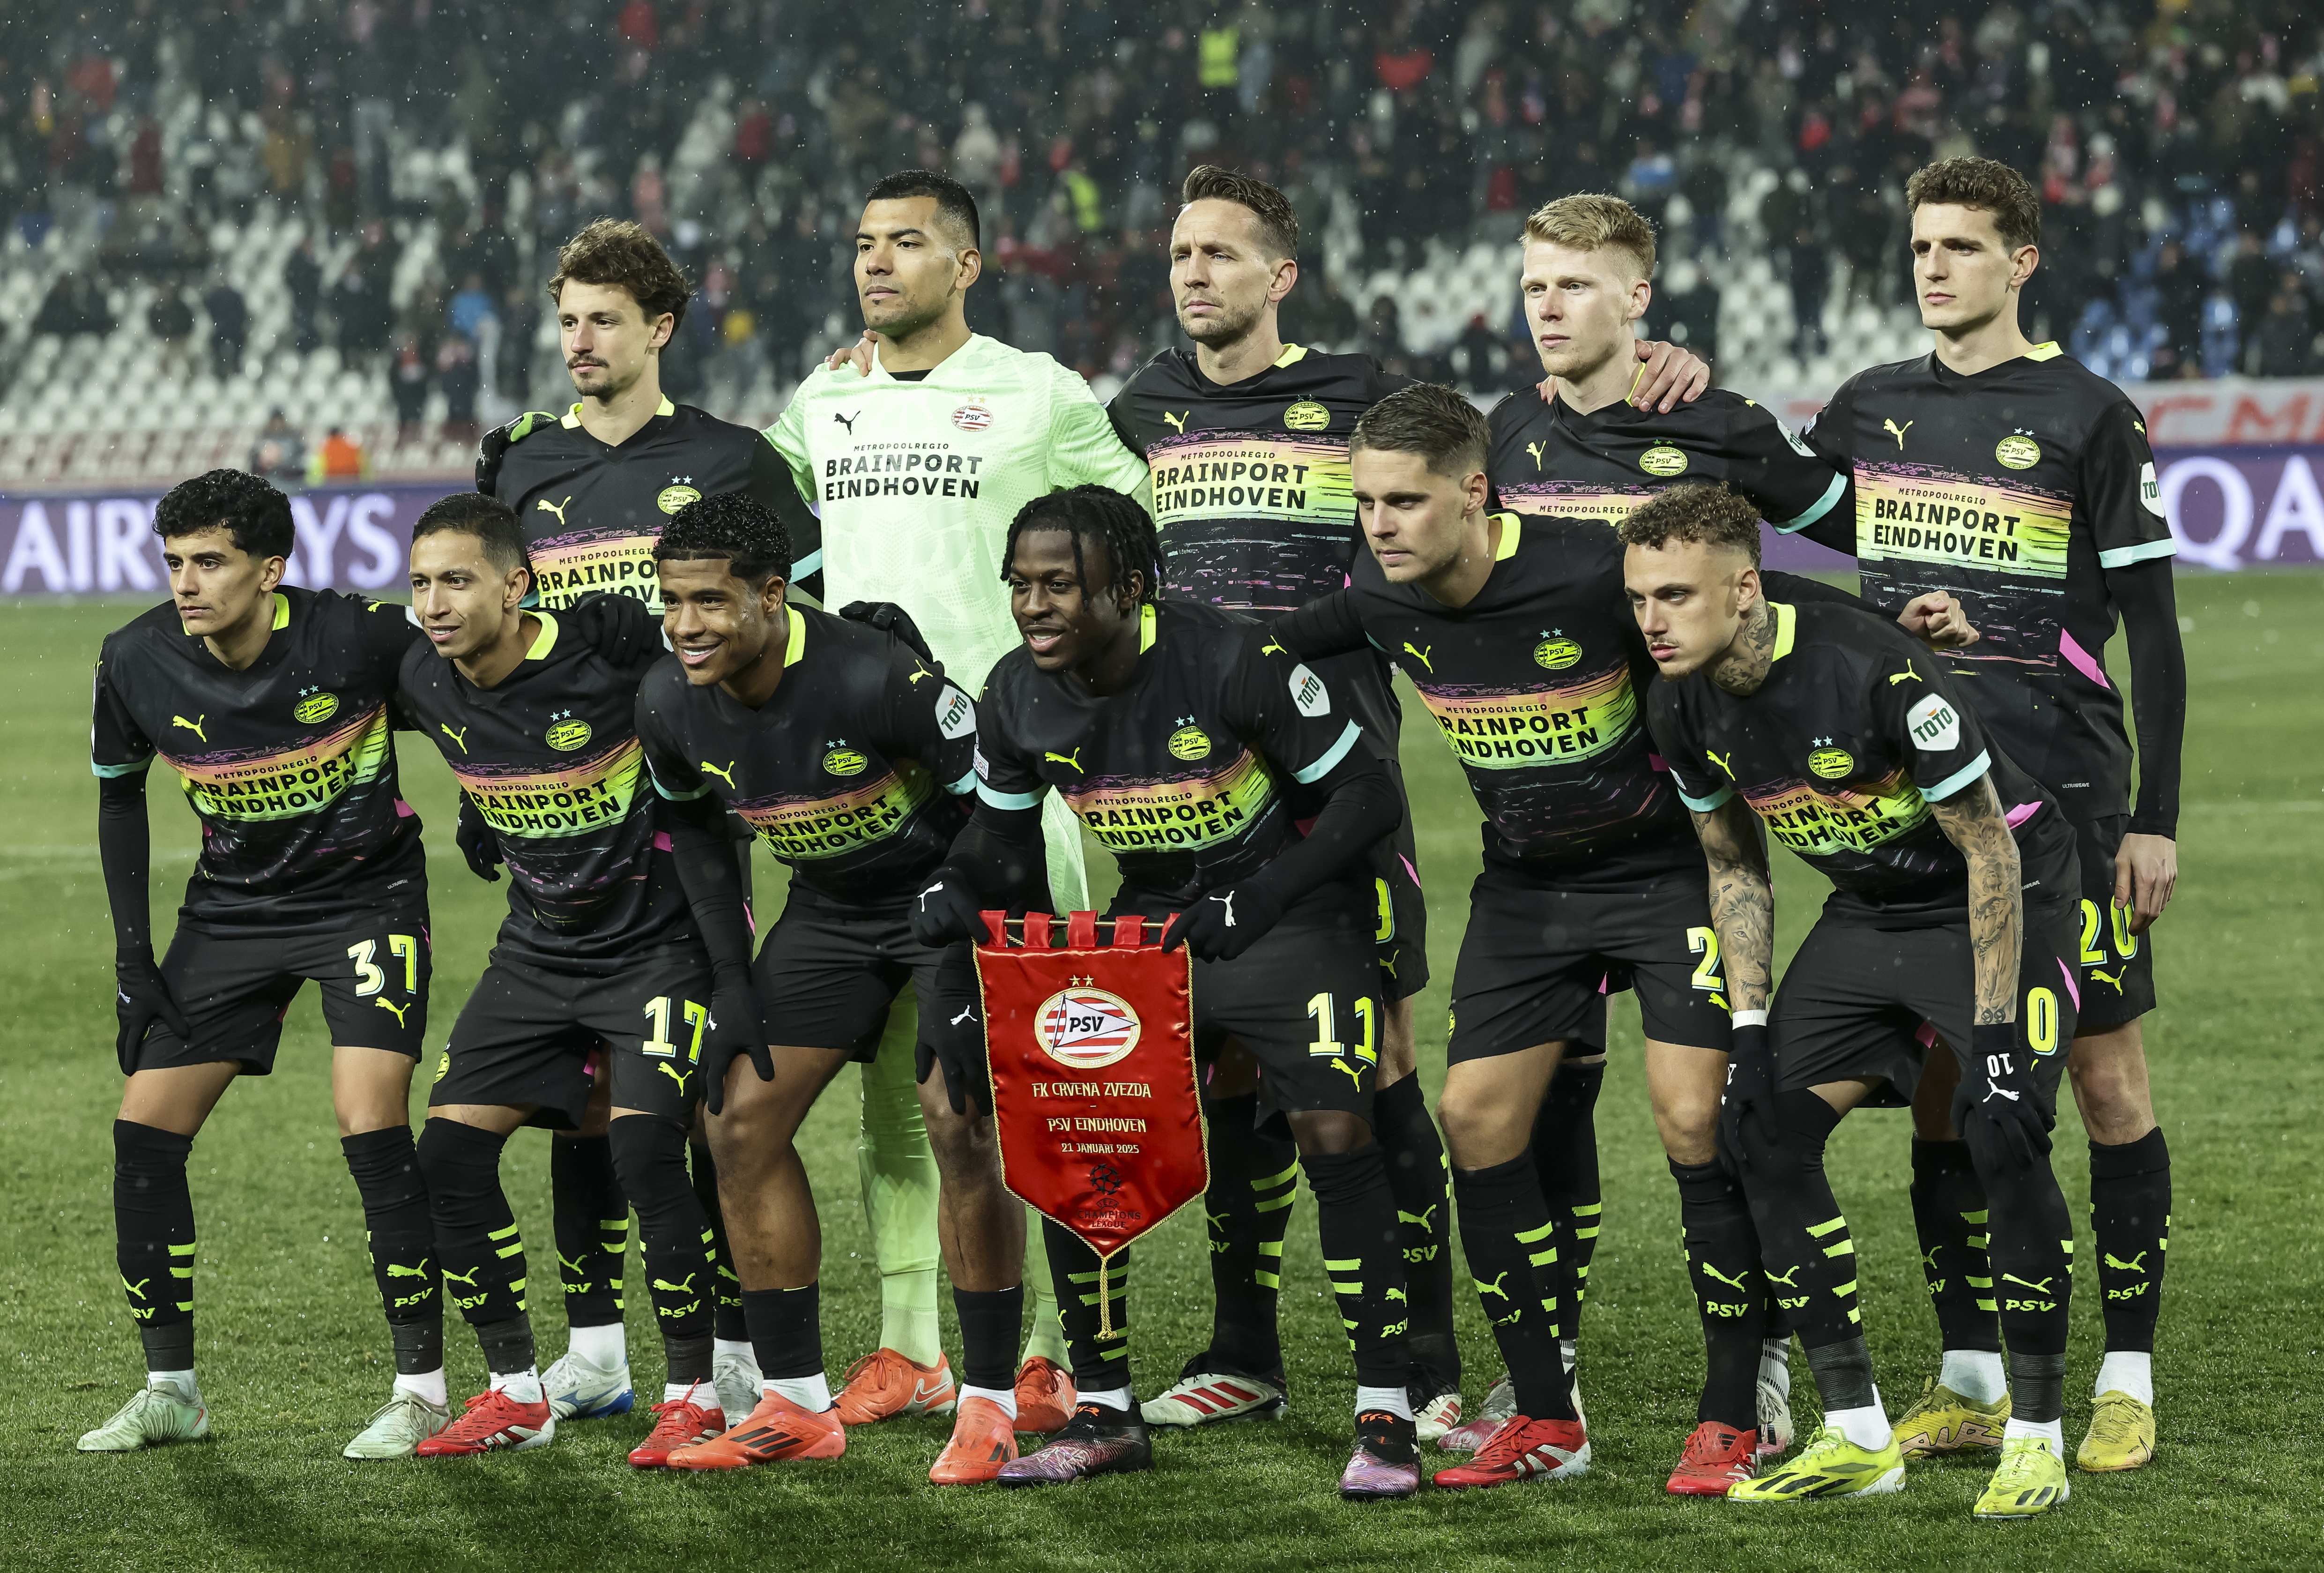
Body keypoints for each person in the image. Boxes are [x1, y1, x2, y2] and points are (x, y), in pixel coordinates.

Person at [1095, 165, 1713, 1438]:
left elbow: (1502, 441)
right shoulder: (1135, 409)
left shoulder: (1365, 389)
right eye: (1178, 253)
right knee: (1225, 1078)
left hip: (1335, 792)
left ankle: (1425, 1362)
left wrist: (1659, 368)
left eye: (1219, 253)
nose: (1192, 273)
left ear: (1280, 275)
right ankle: (1244, 1346)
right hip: (1183, 798)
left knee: (1371, 1072)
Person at [1283, 385, 1971, 1496]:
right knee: (1473, 1118)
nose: (1380, 524)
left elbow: (1740, 597)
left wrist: (1894, 620)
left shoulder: (1585, 567)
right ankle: (1550, 1418)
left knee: (1700, 1120)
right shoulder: (1375, 591)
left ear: (1474, 493)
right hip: (1524, 889)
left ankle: (1734, 1410)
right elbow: (1257, 640)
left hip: (1666, 876)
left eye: (1404, 501)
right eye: (1365, 503)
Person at [1789, 157, 2183, 1474]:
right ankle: (1963, 1376)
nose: (1932, 267)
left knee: (2103, 1072)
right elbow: (1789, 533)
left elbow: (2154, 634)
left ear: (2023, 261)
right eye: (1919, 246)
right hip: (1925, 805)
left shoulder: (2087, 413)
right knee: (1953, 1083)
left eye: (1960, 246)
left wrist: (2153, 817)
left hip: (2067, 796)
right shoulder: (1871, 406)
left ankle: (2125, 1377)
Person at [912, 486, 1422, 1500]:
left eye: (1060, 583)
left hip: (1290, 918)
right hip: (1153, 927)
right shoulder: (1016, 693)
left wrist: (1261, 900)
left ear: (1131, 585)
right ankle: (1104, 1408)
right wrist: (960, 884)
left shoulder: (1230, 657)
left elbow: (1367, 793)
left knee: (1332, 1130)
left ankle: (1387, 1411)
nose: (1034, 605)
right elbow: (1004, 843)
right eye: (1021, 585)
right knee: (1076, 1136)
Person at [1477, 191, 1859, 1475]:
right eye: (1534, 283)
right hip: (1537, 835)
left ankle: (1752, 1371)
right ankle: (1544, 1382)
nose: (1547, 305)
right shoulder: (1508, 434)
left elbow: (1850, 522)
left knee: (1697, 1121)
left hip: (1685, 831)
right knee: (1521, 1111)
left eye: (1575, 285)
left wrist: (1919, 608)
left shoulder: (1716, 422)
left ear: (1638, 298)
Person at [772, 169, 1151, 1429]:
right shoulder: (824, 399)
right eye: (865, 243)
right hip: (873, 789)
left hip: (1017, 780)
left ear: (970, 263)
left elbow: (1142, 532)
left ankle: (1050, 1347)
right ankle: (910, 1344)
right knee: (898, 1076)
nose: (878, 264)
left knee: (1038, 1073)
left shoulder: (1039, 394)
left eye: (908, 244)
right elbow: (745, 506)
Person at [1624, 482, 2084, 1519]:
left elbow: (1989, 846)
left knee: (2001, 1127)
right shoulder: (1678, 695)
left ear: (1745, 589)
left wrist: (1999, 1035)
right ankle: (1860, 1433)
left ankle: (2037, 1437)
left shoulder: (1869, 664)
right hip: (1871, 910)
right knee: (1761, 1132)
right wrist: (1747, 1031)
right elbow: (1735, 865)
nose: (1651, 620)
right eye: (1641, 596)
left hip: (2006, 888)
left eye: (1675, 596)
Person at [474, 216, 818, 1427]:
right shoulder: (516, 460)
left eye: (604, 318)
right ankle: (596, 1345)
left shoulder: (733, 461)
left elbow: (800, 618)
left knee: (677, 1091)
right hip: (558, 822)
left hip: (689, 815)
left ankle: (725, 1338)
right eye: (565, 318)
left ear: (661, 327)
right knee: (579, 1095)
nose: (579, 340)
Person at [632, 494, 1037, 1486]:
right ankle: (797, 1403)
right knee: (735, 1117)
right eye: (672, 601)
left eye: (711, 601)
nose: (686, 624)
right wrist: (731, 976)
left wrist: (957, 964)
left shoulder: (875, 677)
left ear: (773, 596)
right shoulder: (667, 698)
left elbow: (1000, 813)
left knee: (958, 1117)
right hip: (829, 910)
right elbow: (692, 830)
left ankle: (987, 1402)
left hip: (955, 896)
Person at [80, 470, 439, 1457]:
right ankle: (171, 1388)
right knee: (143, 1130)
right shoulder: (137, 657)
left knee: (369, 1117)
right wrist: (132, 955)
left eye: (211, 561)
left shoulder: (357, 637)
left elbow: (468, 704)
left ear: (270, 569)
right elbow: (120, 799)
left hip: (366, 901)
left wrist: (499, 820)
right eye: (175, 563)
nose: (187, 583)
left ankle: (421, 1387)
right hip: (231, 912)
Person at [394, 495, 737, 1464]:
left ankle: (694, 1390)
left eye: (458, 580)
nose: (434, 603)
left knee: (643, 1155)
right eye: (420, 582)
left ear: (516, 585)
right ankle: (515, 1388)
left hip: (655, 947)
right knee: (448, 1157)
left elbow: (721, 658)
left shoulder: (611, 658)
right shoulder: (422, 674)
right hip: (537, 952)